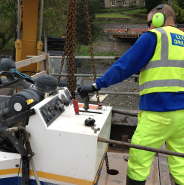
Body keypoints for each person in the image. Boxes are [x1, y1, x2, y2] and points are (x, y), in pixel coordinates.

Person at [77, 4, 184, 185]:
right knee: (180, 163)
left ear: (158, 20)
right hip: (182, 115)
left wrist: (97, 85)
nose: (148, 26)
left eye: (149, 22)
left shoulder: (154, 36)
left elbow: (124, 66)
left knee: (138, 161)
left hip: (158, 113)